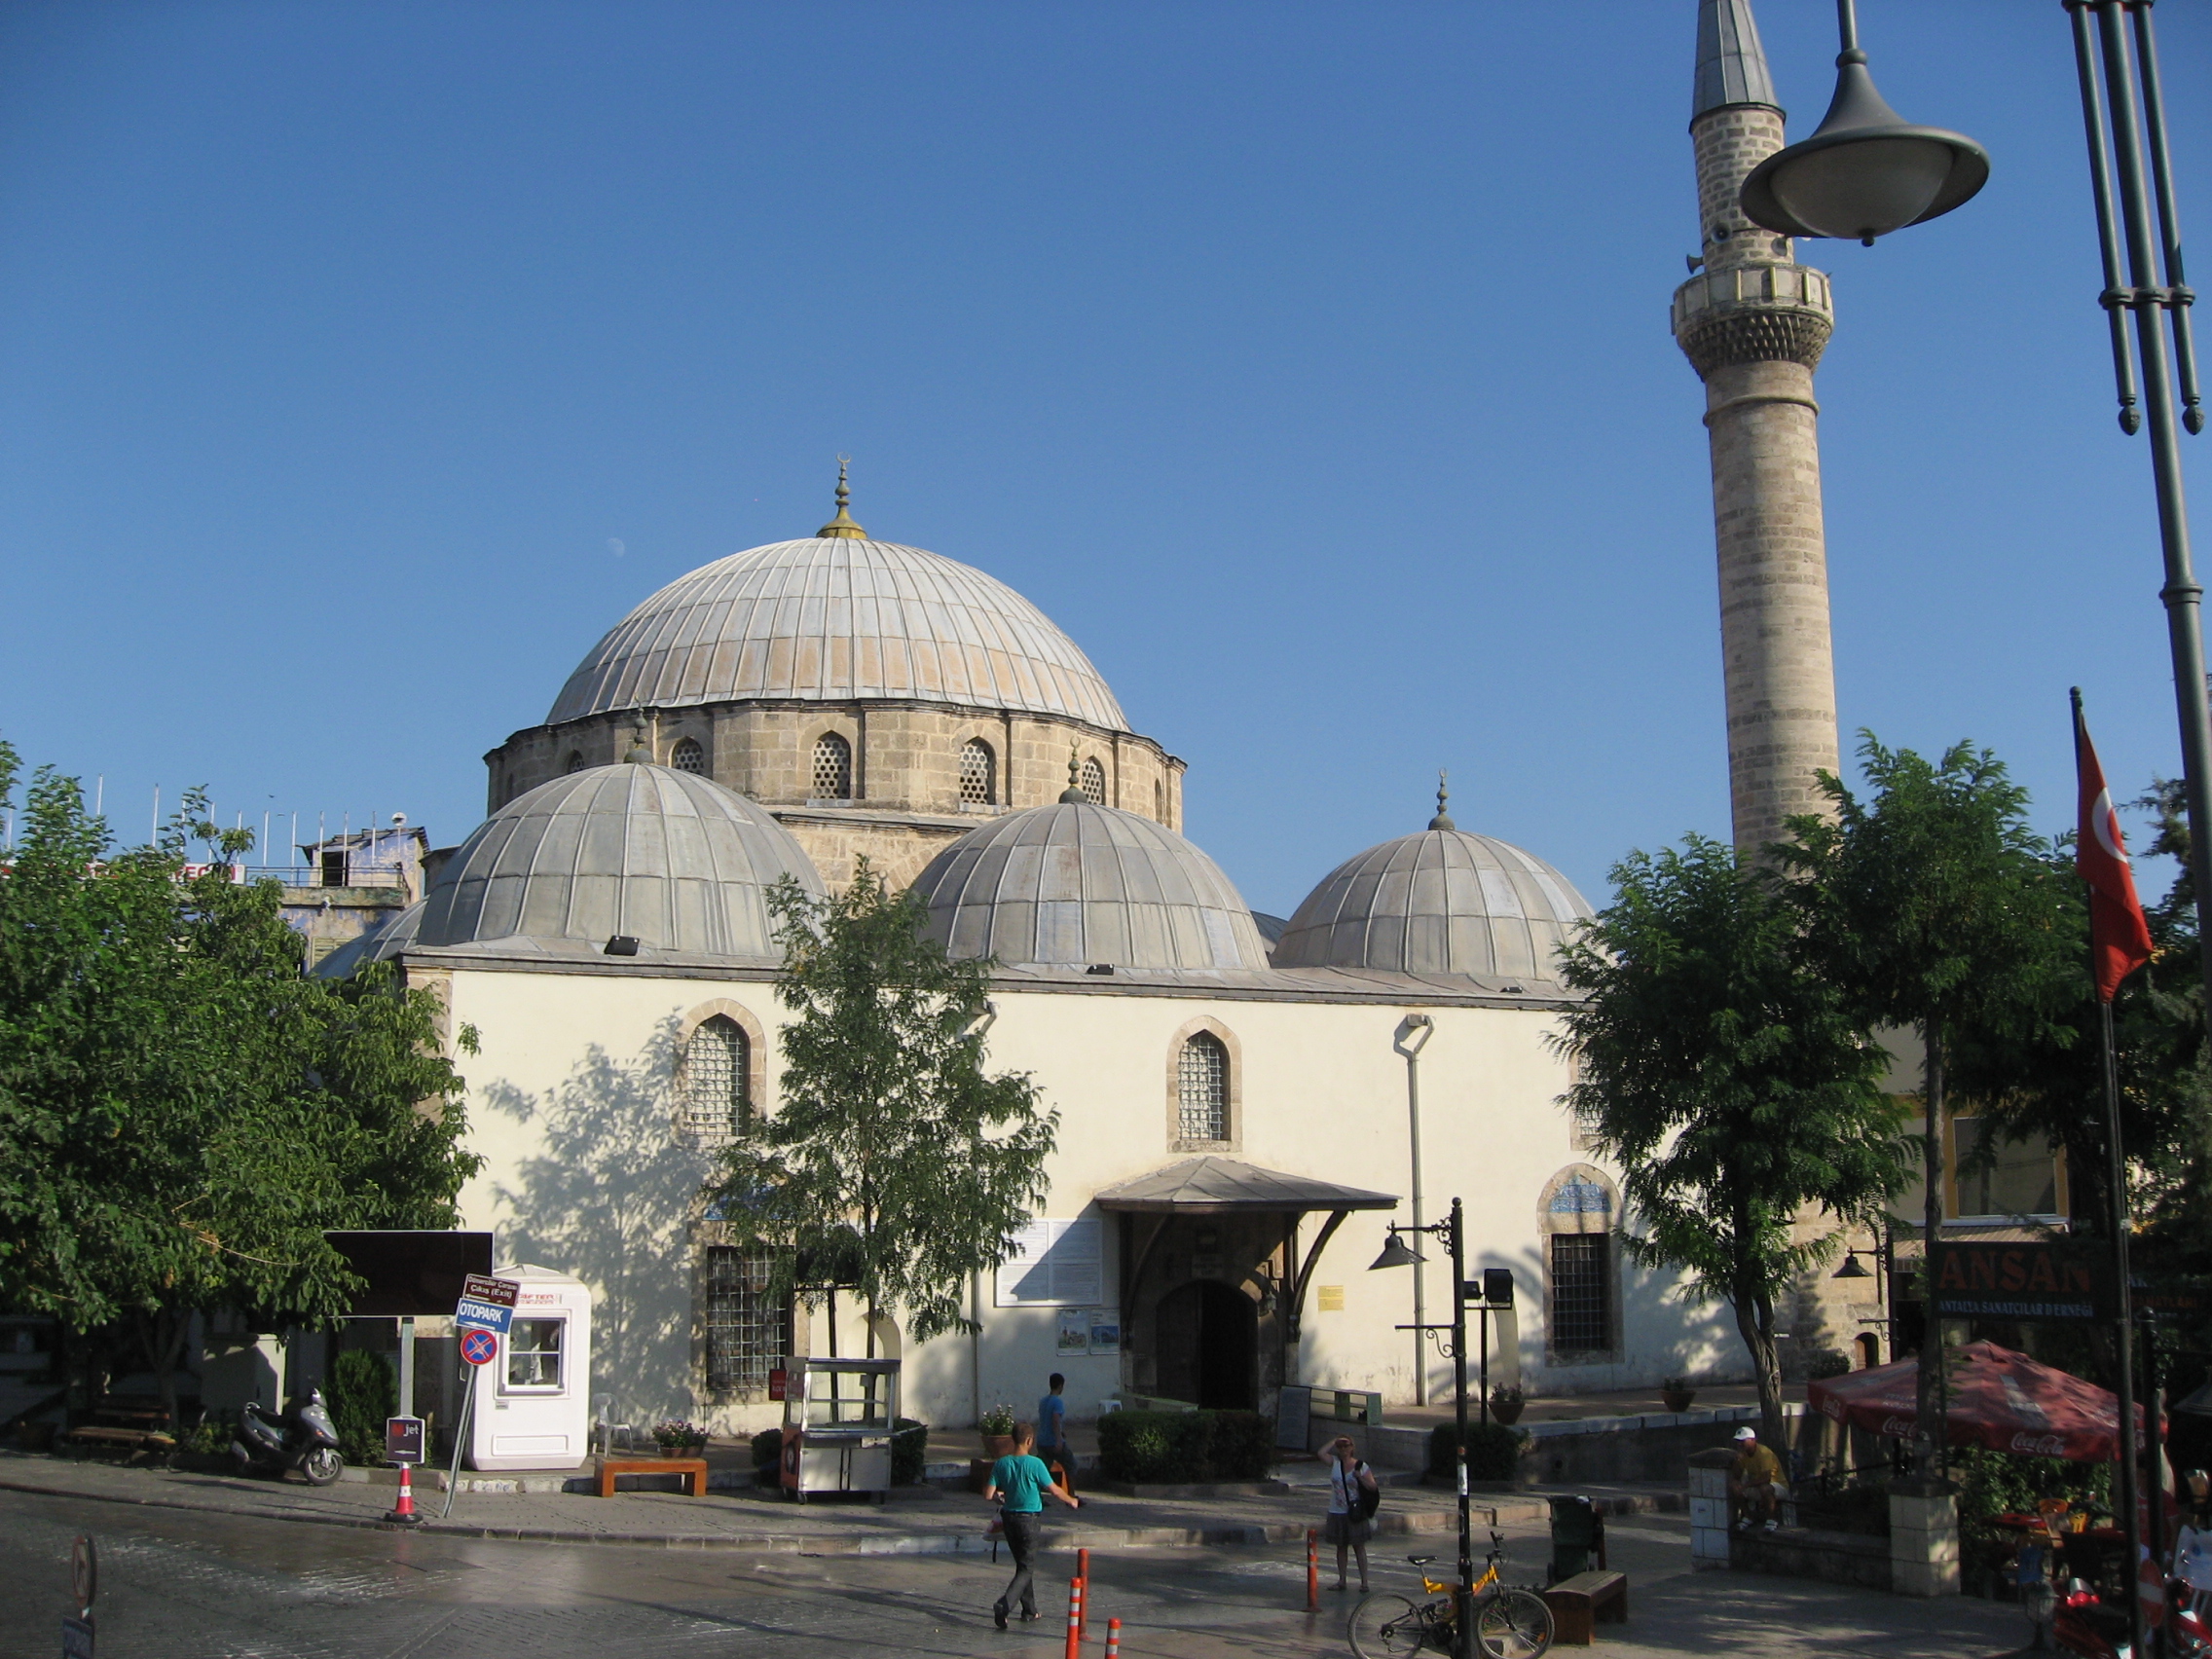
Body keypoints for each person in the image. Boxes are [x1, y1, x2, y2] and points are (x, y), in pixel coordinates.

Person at [981, 1420, 1079, 1629]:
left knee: (1023, 1565)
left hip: (1009, 1520)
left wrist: (1000, 1496)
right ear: (1029, 1441)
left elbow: (988, 1494)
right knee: (1026, 1567)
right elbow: (1054, 1489)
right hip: (1029, 1521)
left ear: (1013, 1439)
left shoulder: (1002, 1463)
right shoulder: (1035, 1464)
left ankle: (1029, 1610)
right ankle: (1004, 1605)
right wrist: (1071, 1500)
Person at [1324, 1434, 1379, 1593]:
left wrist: (1359, 1478)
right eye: (1340, 1446)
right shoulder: (1335, 1462)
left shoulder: (1361, 1466)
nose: (1343, 1449)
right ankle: (1342, 1580)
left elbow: (1372, 1487)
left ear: (1352, 1447)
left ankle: (1364, 1582)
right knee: (1341, 1547)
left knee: (1358, 1546)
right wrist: (1334, 1440)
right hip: (1337, 1510)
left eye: (1346, 1445)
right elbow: (1321, 1453)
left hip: (1355, 1511)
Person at [1728, 1424, 1786, 1533]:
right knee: (1734, 1487)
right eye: (1738, 1441)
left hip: (1777, 1485)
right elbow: (1737, 1475)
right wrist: (1737, 1461)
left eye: (1743, 1441)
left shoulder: (1764, 1453)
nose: (1740, 1444)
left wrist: (1745, 1485)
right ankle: (1748, 1516)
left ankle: (1772, 1520)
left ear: (1752, 1440)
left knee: (1765, 1488)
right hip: (1756, 1486)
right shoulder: (1743, 1454)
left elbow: (1766, 1478)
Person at [1038, 1373, 1073, 1495]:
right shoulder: (1057, 1402)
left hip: (1042, 1440)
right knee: (1070, 1465)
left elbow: (1045, 1420)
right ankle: (1071, 1495)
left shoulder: (1043, 1401)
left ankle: (1037, 1495)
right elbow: (1055, 1419)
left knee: (1042, 1470)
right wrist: (1059, 1439)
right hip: (1052, 1441)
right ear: (1060, 1386)